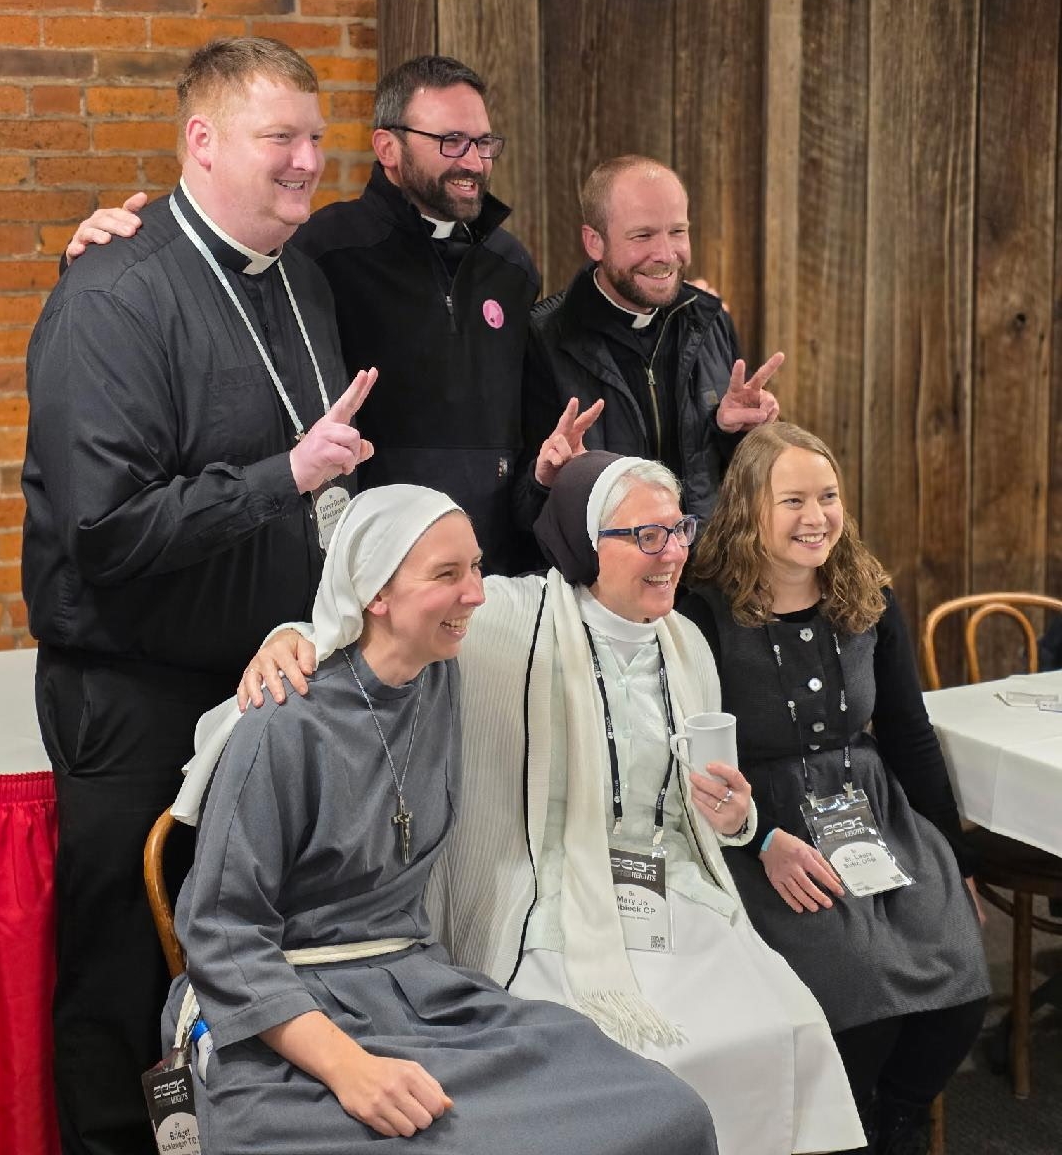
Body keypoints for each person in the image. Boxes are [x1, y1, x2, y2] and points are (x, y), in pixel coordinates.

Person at [246, 450, 864, 1155]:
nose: (672, 554)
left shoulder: (688, 642)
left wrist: (741, 822)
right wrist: (292, 636)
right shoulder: (508, 619)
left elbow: (708, 806)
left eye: (680, 529)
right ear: (583, 541)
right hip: (551, 895)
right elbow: (381, 625)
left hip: (677, 886)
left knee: (786, 1025)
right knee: (646, 1068)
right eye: (646, 536)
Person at [22, 36, 374, 1155]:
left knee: (245, 952)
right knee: (130, 963)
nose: (307, 162)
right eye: (281, 138)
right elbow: (107, 531)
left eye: (316, 139)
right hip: (136, 697)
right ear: (202, 142)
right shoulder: (115, 293)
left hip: (266, 682)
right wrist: (290, 478)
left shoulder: (301, 277)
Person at [164, 484, 716, 1155]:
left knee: (667, 1110)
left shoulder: (438, 672)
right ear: (375, 593)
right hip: (281, 1019)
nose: (477, 594)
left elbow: (582, 613)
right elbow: (222, 934)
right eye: (447, 574)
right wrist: (349, 1069)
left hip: (421, 994)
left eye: (476, 567)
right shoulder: (281, 725)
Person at [65, 54, 541, 575]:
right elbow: (106, 521)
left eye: (315, 139)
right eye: (451, 142)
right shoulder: (322, 252)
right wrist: (91, 268)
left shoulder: (508, 264)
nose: (472, 161)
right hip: (360, 576)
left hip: (478, 565)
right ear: (387, 146)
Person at [679, 423, 990, 1155]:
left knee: (963, 975)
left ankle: (898, 1117)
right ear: (749, 506)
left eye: (828, 496)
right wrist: (757, 838)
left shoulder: (869, 594)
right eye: (792, 499)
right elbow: (689, 760)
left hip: (872, 809)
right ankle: (836, 1130)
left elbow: (910, 735)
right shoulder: (702, 609)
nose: (815, 516)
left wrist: (958, 858)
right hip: (764, 828)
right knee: (858, 991)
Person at [517, 154, 783, 532]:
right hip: (603, 581)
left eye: (677, 232)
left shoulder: (710, 320)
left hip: (705, 574)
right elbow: (523, 509)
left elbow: (739, 484)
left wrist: (737, 433)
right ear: (595, 242)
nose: (665, 255)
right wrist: (548, 478)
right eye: (642, 235)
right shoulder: (543, 338)